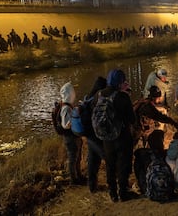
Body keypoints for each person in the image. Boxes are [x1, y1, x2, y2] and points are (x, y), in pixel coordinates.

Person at [92, 69, 138, 202]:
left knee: (110, 165)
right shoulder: (122, 97)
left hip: (105, 137)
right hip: (122, 136)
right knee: (123, 164)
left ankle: (112, 193)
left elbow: (93, 112)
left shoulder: (98, 95)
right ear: (120, 83)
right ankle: (123, 193)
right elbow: (132, 119)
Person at [82, 76, 107, 193]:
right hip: (95, 134)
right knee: (107, 157)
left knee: (93, 159)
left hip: (89, 134)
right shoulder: (96, 99)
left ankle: (92, 186)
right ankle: (115, 184)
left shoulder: (88, 97)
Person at [59, 82, 85, 185]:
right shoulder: (65, 107)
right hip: (70, 138)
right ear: (69, 93)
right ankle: (74, 180)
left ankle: (79, 176)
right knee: (72, 159)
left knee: (77, 157)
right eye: (72, 91)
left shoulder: (68, 105)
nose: (74, 93)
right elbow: (65, 124)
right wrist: (75, 116)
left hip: (73, 136)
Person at [133, 130, 167, 195]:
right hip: (165, 187)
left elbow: (137, 173)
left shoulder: (142, 155)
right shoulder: (165, 154)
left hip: (147, 188)